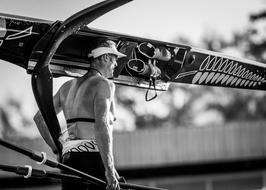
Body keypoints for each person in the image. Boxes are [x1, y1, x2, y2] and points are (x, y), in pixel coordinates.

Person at [33, 39, 126, 190]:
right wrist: (109, 169)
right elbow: (102, 126)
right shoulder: (105, 84)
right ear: (105, 57)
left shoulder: (66, 87)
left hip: (70, 159)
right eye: (114, 59)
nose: (116, 64)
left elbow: (39, 119)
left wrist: (57, 150)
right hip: (93, 157)